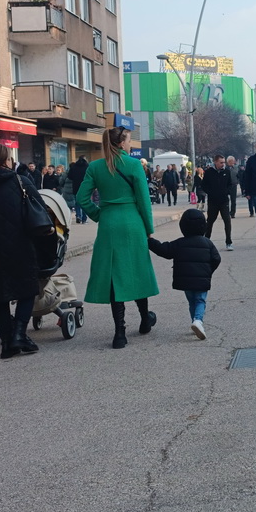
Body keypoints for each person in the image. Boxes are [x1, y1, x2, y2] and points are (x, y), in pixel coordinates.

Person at [77, 127, 160, 349]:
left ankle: (119, 332)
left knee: (115, 276)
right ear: (121, 143)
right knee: (137, 271)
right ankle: (144, 319)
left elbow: (81, 197)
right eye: (129, 141)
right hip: (132, 222)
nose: (130, 144)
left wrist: (98, 214)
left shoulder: (95, 167)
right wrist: (148, 227)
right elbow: (144, 199)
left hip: (109, 225)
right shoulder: (133, 165)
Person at [0, 142, 49, 359]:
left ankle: (6, 342)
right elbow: (39, 206)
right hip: (19, 245)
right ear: (7, 160)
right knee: (26, 290)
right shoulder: (19, 181)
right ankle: (19, 335)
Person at [148, 208, 221, 340]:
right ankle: (198, 321)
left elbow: (164, 250)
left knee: (192, 301)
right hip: (202, 279)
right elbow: (216, 259)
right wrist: (208, 271)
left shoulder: (179, 243)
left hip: (186, 281)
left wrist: (150, 241)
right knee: (200, 300)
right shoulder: (207, 243)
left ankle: (195, 321)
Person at [202, 155, 234, 250]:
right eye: (221, 162)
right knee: (210, 221)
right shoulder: (209, 172)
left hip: (224, 201)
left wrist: (227, 192)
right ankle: (206, 241)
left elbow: (230, 184)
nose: (223, 164)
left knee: (227, 221)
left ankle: (228, 242)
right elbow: (203, 185)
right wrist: (210, 192)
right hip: (213, 201)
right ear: (215, 162)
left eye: (224, 162)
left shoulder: (227, 172)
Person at [67, 155, 89, 224]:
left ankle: (78, 216)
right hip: (85, 186)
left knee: (77, 202)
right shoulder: (87, 166)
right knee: (85, 202)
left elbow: (69, 176)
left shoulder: (74, 167)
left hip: (76, 186)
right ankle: (84, 218)